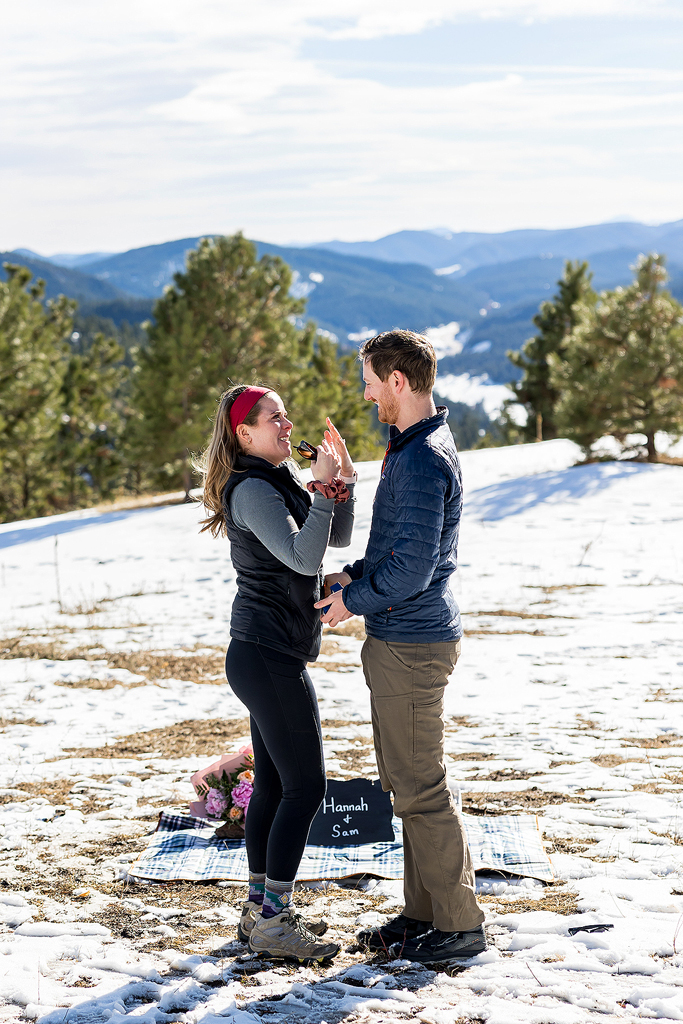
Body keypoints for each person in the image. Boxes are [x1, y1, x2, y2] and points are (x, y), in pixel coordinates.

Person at [315, 331, 487, 965]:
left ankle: (459, 924)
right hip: (404, 636)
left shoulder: (420, 459)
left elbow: (412, 570)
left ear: (398, 381)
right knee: (407, 783)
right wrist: (353, 576)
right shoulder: (414, 447)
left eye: (369, 380)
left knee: (422, 786)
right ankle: (424, 913)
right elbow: (398, 551)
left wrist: (349, 602)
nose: (365, 393)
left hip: (412, 643)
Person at [198, 383, 356, 964]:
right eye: (274, 418)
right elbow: (304, 558)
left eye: (287, 416)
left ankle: (257, 914)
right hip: (266, 654)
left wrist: (340, 485)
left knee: (270, 786)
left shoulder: (275, 480)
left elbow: (332, 536)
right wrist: (320, 489)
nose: (287, 425)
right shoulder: (251, 490)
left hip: (268, 652)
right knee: (305, 787)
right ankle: (274, 921)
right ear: (244, 433)